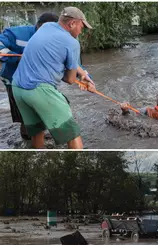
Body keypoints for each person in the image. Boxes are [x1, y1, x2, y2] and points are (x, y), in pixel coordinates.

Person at [12, 7, 96, 149]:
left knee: (37, 131)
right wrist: (79, 78)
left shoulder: (46, 26)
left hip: (17, 88)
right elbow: (69, 79)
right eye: (82, 26)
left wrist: (83, 74)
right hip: (39, 90)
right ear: (72, 24)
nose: (82, 31)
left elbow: (53, 53)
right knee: (72, 133)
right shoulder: (73, 43)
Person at [0, 12, 59, 140]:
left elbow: (71, 62)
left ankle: (37, 135)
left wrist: (83, 75)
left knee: (43, 109)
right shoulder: (16, 33)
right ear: (37, 26)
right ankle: (27, 137)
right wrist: (16, 58)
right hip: (14, 79)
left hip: (40, 80)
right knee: (24, 115)